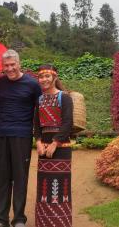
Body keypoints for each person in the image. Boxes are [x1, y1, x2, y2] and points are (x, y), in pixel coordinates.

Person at [0, 49, 42, 227]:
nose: (10, 68)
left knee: (20, 177)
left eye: (13, 64)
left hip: (22, 135)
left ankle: (19, 218)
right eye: (6, 66)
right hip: (0, 135)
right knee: (0, 178)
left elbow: (42, 110)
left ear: (19, 63)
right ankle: (1, 218)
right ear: (2, 67)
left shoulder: (33, 84)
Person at [33, 64, 73, 227]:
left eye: (47, 76)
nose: (44, 79)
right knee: (44, 185)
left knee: (60, 185)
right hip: (44, 149)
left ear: (54, 77)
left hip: (61, 148)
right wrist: (39, 143)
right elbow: (36, 125)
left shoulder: (65, 97)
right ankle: (43, 223)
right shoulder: (39, 100)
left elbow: (67, 123)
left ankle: (60, 223)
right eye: (41, 76)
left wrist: (55, 143)